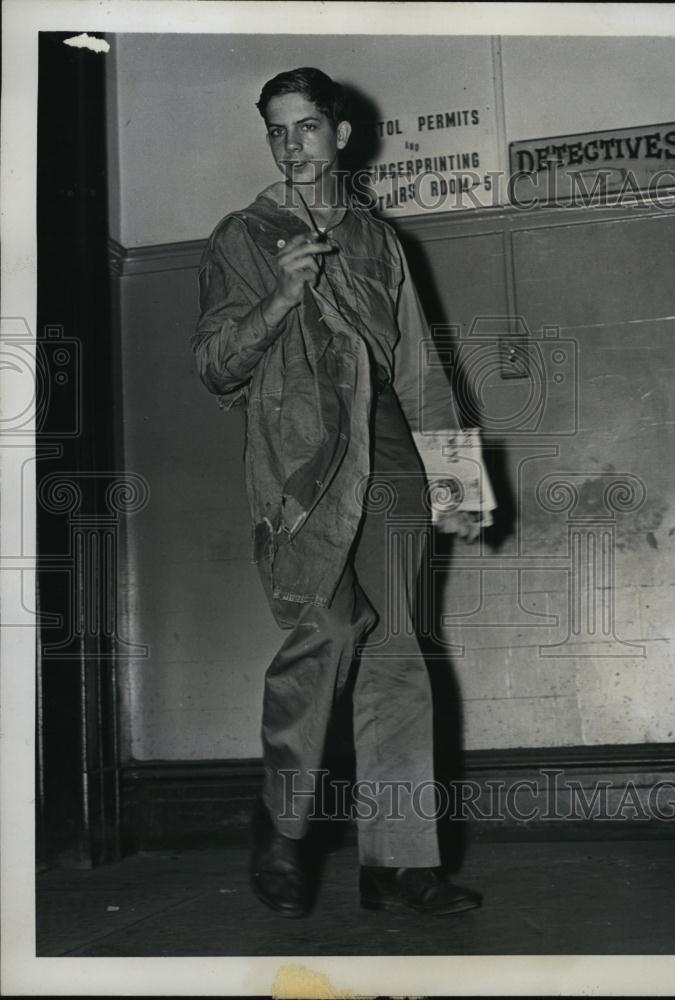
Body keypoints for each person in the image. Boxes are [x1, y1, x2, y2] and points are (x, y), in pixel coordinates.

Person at [191, 67, 482, 918]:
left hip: (389, 455)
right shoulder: (239, 236)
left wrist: (456, 484)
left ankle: (396, 863)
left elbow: (421, 367)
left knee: (398, 648)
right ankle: (280, 824)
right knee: (324, 628)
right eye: (277, 131)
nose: (292, 146)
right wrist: (280, 295)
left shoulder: (377, 239)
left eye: (307, 127)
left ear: (340, 134)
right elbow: (215, 367)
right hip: (301, 468)